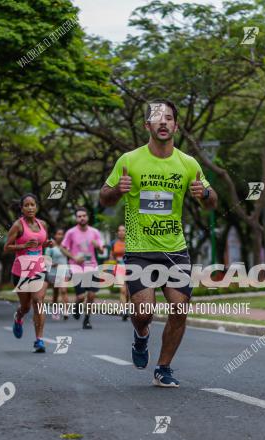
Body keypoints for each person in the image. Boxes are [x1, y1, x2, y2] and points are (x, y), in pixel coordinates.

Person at [99, 98, 218, 387]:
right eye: (157, 118)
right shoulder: (129, 160)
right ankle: (141, 336)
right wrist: (117, 190)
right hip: (140, 249)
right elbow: (104, 197)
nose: (163, 122)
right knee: (143, 313)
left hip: (175, 249)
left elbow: (212, 203)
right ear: (147, 125)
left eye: (168, 118)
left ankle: (163, 367)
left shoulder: (188, 163)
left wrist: (203, 194)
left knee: (179, 307)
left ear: (176, 125)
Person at [3, 194, 52, 352]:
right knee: (25, 307)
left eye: (33, 205)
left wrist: (47, 243)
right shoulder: (18, 225)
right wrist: (23, 246)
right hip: (21, 271)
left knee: (38, 301)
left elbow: (40, 243)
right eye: (27, 205)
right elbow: (6, 247)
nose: (30, 208)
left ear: (37, 207)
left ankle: (39, 340)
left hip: (39, 268)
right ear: (22, 208)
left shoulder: (43, 224)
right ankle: (18, 317)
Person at [59, 208, 106, 329]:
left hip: (92, 266)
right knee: (81, 297)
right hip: (76, 268)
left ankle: (87, 319)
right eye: (79, 216)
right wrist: (74, 257)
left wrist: (98, 247)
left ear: (87, 217)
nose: (82, 218)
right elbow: (63, 247)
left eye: (84, 216)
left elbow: (102, 250)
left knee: (91, 295)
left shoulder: (95, 232)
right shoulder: (71, 232)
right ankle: (76, 305)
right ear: (76, 218)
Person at [44, 228, 70, 320]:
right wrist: (52, 264)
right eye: (58, 234)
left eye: (62, 234)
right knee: (55, 293)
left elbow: (70, 256)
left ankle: (66, 311)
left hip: (64, 271)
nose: (60, 236)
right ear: (55, 235)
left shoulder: (66, 245)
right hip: (54, 272)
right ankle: (55, 311)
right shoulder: (51, 247)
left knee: (63, 290)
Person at [109, 224, 129, 321]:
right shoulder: (114, 243)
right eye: (119, 230)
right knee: (123, 290)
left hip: (131, 268)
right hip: (119, 268)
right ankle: (124, 311)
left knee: (128, 292)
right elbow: (111, 256)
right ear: (117, 232)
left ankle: (126, 307)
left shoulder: (131, 242)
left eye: (123, 230)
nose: (121, 232)